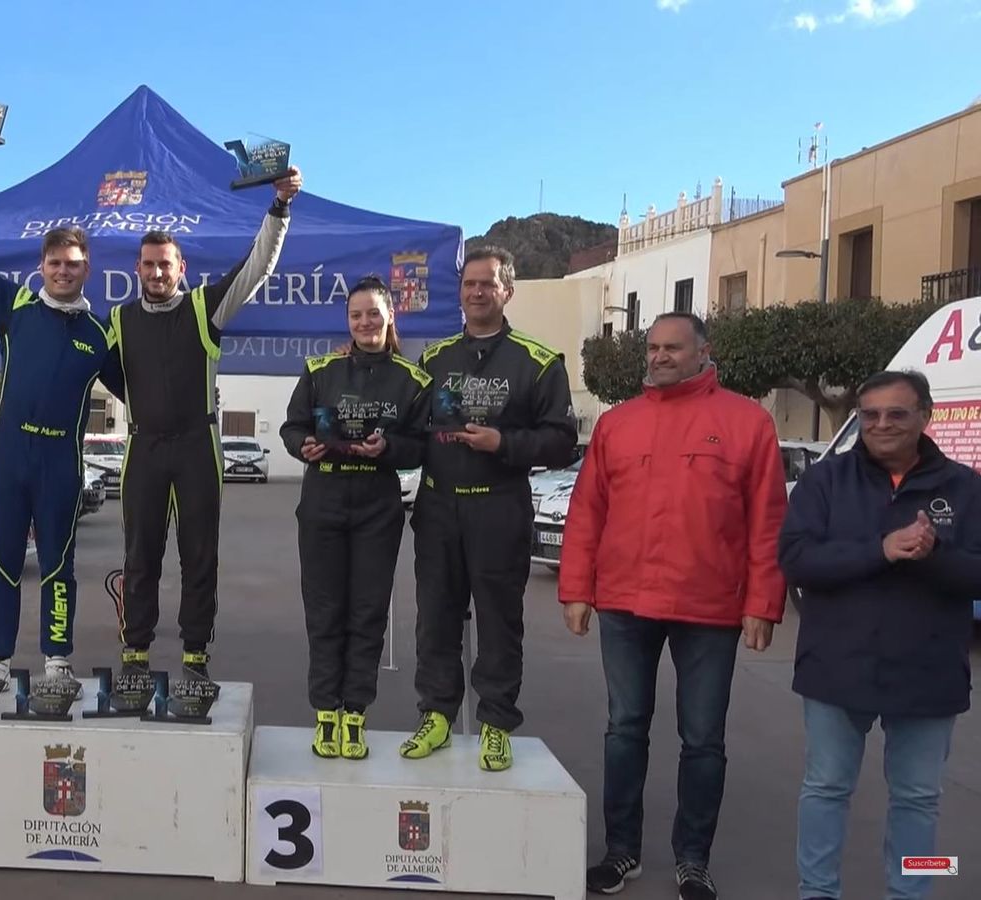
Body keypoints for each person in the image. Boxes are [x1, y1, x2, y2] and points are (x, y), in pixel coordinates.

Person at [558, 312, 788, 900]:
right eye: (653, 347)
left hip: (709, 608)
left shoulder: (747, 422)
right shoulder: (617, 423)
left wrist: (763, 602)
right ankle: (621, 852)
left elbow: (768, 523)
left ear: (704, 351)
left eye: (672, 348)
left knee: (703, 739)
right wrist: (577, 589)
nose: (659, 357)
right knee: (624, 729)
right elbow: (587, 512)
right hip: (625, 604)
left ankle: (693, 860)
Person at [780, 370, 981, 900]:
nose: (881, 424)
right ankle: (817, 892)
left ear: (925, 415)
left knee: (919, 799)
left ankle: (911, 892)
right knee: (825, 790)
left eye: (896, 413)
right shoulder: (825, 482)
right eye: (870, 415)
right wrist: (882, 549)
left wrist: (934, 554)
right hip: (837, 666)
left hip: (928, 672)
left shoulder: (965, 487)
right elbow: (797, 560)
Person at [0, 153, 124, 692]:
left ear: (86, 267)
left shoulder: (100, 332)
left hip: (61, 465)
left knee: (59, 567)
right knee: (1, 561)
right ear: (42, 267)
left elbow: (144, 390)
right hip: (10, 459)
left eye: (72, 263)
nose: (62, 270)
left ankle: (57, 661)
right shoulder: (16, 306)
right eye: (54, 263)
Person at [111, 166, 302, 682]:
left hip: (198, 445)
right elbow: (90, 370)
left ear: (181, 267)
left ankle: (195, 652)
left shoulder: (204, 308)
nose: (156, 273)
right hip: (144, 447)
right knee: (139, 554)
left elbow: (255, 268)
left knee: (199, 555)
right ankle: (136, 650)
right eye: (148, 265)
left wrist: (279, 209)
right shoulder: (119, 320)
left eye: (165, 265)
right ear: (137, 268)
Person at [402, 245, 577, 770]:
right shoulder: (433, 360)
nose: (477, 292)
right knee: (435, 619)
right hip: (438, 508)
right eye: (469, 284)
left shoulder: (540, 362)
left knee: (501, 623)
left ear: (507, 291)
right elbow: (409, 432)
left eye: (488, 284)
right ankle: (436, 714)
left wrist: (502, 443)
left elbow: (562, 441)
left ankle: (496, 723)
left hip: (499, 508)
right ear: (460, 292)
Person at [280, 278, 429, 759]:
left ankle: (355, 714)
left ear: (390, 318)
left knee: (367, 613)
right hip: (323, 500)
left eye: (373, 314)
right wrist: (301, 446)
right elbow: (292, 425)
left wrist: (390, 449)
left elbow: (422, 445)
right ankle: (326, 713)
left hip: (376, 504)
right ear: (348, 321)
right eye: (356, 315)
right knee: (324, 612)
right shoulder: (320, 369)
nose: (365, 323)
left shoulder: (413, 380)